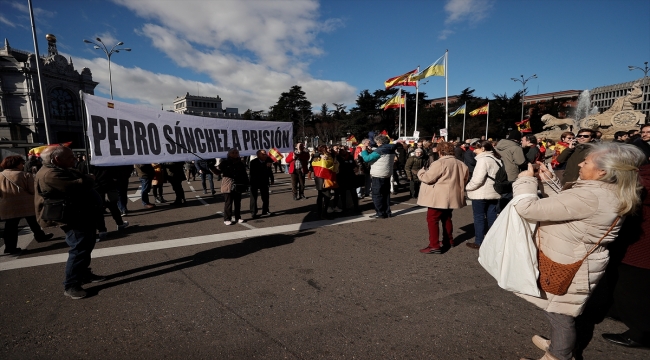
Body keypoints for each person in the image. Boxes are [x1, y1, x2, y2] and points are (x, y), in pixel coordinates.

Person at [513, 143, 645, 360]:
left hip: (568, 263)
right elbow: (569, 206)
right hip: (574, 259)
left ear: (603, 171)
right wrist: (549, 182)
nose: (581, 164)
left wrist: (526, 180)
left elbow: (527, 209)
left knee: (560, 314)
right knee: (559, 311)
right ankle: (559, 344)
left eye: (587, 161)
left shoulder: (592, 195)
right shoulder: (606, 189)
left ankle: (559, 354)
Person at [35, 146, 106, 300]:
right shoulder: (50, 174)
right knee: (79, 248)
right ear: (56, 159)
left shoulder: (61, 169)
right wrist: (89, 179)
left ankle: (84, 274)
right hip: (71, 217)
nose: (74, 160)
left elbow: (80, 178)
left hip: (80, 214)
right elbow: (79, 184)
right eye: (70, 157)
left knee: (86, 246)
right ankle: (71, 285)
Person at [600, 163, 650, 349]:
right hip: (633, 241)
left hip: (641, 246)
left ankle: (640, 332)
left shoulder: (641, 179)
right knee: (621, 282)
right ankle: (619, 312)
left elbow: (634, 192)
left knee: (634, 290)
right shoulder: (642, 172)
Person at [416, 142, 468, 254]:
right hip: (452, 195)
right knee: (447, 218)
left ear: (440, 151)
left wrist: (421, 172)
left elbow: (428, 178)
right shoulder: (461, 164)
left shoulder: (439, 163)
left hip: (438, 196)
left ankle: (434, 245)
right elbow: (464, 180)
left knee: (432, 220)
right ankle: (449, 240)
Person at [0, 155, 53, 254]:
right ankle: (40, 236)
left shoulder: (0, 175)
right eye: (21, 163)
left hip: (7, 205)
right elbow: (33, 190)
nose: (23, 165)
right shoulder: (25, 175)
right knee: (33, 221)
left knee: (10, 227)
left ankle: (10, 247)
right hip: (26, 204)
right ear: (16, 164)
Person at [464, 141, 502, 249]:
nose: (474, 151)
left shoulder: (482, 160)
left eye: (476, 148)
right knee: (492, 215)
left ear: (483, 149)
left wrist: (467, 187)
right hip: (494, 191)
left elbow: (477, 179)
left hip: (481, 193)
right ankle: (494, 240)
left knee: (479, 217)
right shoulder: (497, 159)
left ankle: (479, 241)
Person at [359, 135, 404, 219]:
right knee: (386, 194)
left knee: (377, 194)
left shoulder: (380, 150)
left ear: (379, 142)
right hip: (387, 174)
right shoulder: (390, 148)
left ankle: (380, 213)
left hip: (378, 175)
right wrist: (371, 151)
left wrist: (364, 151)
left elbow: (367, 159)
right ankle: (387, 212)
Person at [89, 164, 129, 241]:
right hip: (108, 187)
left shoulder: (86, 164)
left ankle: (102, 230)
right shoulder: (106, 163)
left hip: (96, 189)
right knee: (113, 207)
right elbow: (115, 174)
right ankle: (120, 224)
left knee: (99, 211)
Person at [495, 129, 527, 207]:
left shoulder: (498, 146)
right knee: (509, 195)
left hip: (499, 172)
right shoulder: (516, 147)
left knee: (501, 194)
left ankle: (499, 211)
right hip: (511, 173)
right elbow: (520, 162)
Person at [219, 148, 249, 225]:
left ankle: (238, 217)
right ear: (229, 154)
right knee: (228, 202)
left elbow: (244, 174)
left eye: (236, 152)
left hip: (238, 184)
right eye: (233, 152)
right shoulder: (224, 162)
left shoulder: (241, 163)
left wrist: (247, 183)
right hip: (228, 184)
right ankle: (227, 219)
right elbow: (218, 172)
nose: (235, 154)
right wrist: (211, 166)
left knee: (237, 202)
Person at [311, 145, 338, 219]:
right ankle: (323, 213)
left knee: (321, 196)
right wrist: (320, 155)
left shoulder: (330, 155)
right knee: (326, 196)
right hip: (322, 179)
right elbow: (314, 156)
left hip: (326, 178)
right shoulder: (319, 157)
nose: (329, 149)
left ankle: (320, 212)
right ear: (323, 150)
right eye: (327, 148)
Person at [249, 149, 274, 218]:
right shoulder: (253, 162)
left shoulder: (267, 161)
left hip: (264, 182)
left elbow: (270, 171)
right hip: (255, 182)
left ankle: (265, 210)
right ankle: (253, 212)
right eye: (263, 154)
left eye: (265, 154)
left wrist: (272, 179)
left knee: (265, 197)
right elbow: (254, 172)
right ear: (258, 155)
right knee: (253, 198)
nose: (265, 155)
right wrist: (264, 165)